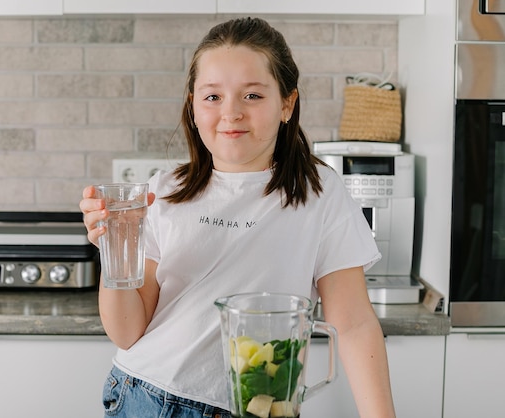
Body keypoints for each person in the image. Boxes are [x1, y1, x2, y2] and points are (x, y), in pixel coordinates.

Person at [80, 17, 396, 418]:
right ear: (193, 108)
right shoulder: (163, 191)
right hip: (147, 396)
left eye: (252, 96)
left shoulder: (320, 193)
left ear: (287, 103)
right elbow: (126, 331)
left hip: (263, 407)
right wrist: (114, 246)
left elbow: (352, 324)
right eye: (212, 97)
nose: (231, 113)